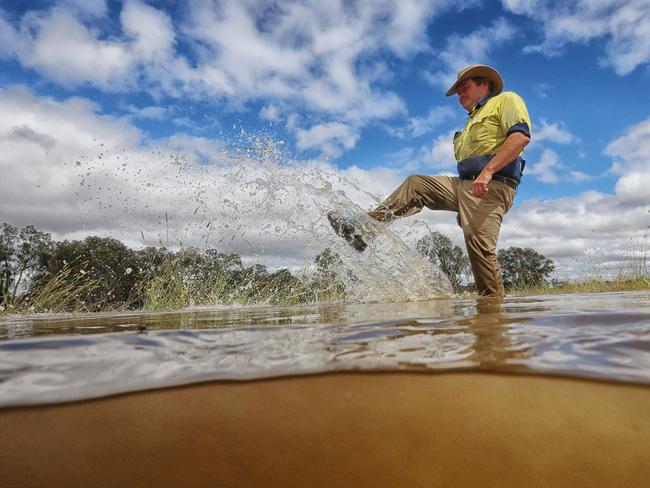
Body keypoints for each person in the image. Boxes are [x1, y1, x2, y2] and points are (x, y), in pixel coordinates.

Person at [329, 64, 531, 297]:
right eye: (457, 93)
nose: (460, 95)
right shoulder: (469, 123)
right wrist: (461, 206)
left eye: (464, 88)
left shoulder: (506, 100)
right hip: (464, 186)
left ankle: (493, 313)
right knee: (417, 185)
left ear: (484, 84)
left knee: (480, 251)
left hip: (491, 184)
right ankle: (362, 232)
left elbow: (520, 137)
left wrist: (487, 173)